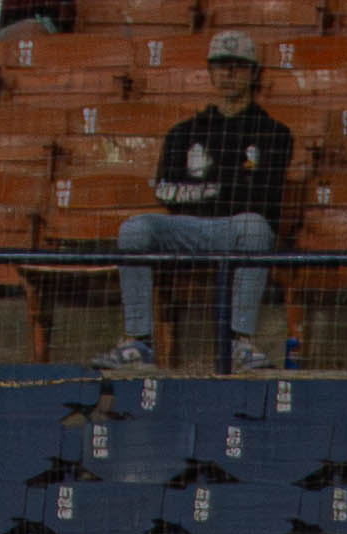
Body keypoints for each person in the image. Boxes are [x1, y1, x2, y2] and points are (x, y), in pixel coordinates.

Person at [93, 32, 293, 377]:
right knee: (135, 228)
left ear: (253, 73)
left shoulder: (273, 132)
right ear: (211, 73)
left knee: (255, 225)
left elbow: (264, 197)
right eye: (221, 67)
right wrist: (222, 189)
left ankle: (240, 342)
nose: (229, 74)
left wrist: (204, 190)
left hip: (239, 229)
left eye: (238, 67)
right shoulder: (185, 132)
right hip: (188, 228)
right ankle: (138, 342)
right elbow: (165, 191)